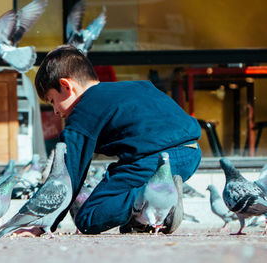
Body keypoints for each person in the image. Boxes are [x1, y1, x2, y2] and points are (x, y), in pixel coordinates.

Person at [35, 45, 202, 235]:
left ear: (67, 86)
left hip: (153, 159)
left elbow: (66, 176)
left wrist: (42, 224)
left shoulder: (83, 112)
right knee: (118, 181)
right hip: (191, 151)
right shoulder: (136, 86)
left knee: (88, 216)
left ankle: (154, 200)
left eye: (52, 100)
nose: (56, 111)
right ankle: (148, 215)